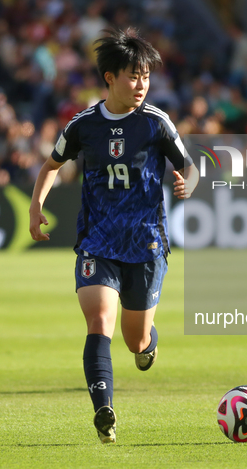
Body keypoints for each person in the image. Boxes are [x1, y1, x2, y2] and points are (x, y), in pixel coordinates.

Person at [28, 28, 199, 443]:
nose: (140, 84)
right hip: (97, 239)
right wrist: (36, 207)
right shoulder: (84, 125)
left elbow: (190, 167)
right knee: (98, 320)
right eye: (132, 75)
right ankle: (104, 410)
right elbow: (51, 165)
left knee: (136, 341)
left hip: (145, 242)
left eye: (145, 76)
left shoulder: (156, 123)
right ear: (109, 77)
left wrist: (188, 184)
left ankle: (147, 348)